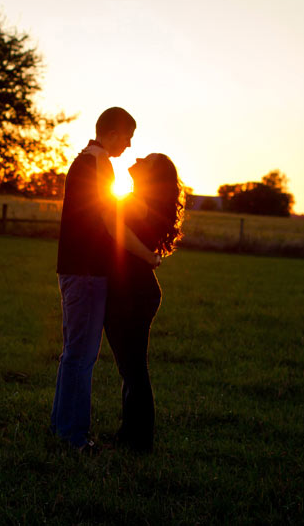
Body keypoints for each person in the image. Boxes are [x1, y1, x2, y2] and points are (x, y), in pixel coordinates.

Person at [50, 107, 161, 452]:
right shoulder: (100, 162)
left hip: (73, 269)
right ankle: (74, 438)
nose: (129, 145)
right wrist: (147, 254)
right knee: (82, 357)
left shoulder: (84, 159)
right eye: (127, 137)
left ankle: (61, 428)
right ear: (112, 133)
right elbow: (109, 220)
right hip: (86, 272)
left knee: (73, 355)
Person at [104, 153, 185, 453]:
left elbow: (114, 227)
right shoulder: (140, 199)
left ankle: (138, 441)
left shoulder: (140, 201)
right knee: (132, 368)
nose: (138, 157)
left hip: (133, 294)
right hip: (134, 291)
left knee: (134, 369)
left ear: (153, 174)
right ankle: (131, 435)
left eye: (147, 159)